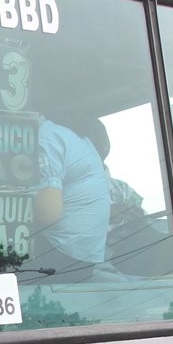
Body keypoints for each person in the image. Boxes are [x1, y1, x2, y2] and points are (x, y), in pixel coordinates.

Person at [31, 118, 111, 278]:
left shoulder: (46, 138)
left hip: (60, 255)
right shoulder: (75, 138)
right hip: (84, 258)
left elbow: (48, 213)